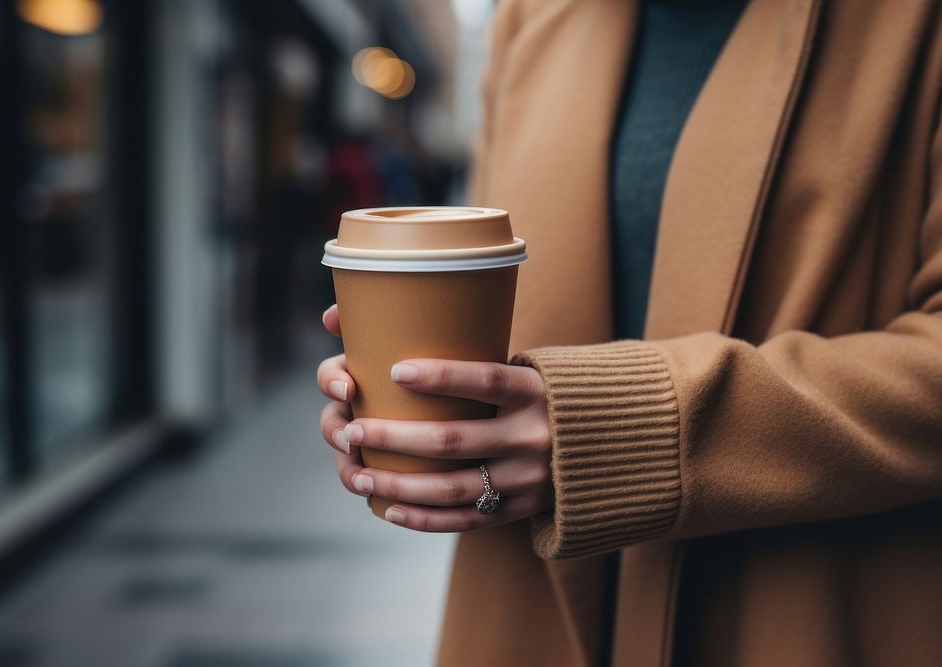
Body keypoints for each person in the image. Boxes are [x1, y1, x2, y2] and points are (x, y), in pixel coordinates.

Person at [317, 0, 942, 664]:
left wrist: (620, 430)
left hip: (806, 613)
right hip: (526, 610)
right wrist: (412, 415)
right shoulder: (529, 16)